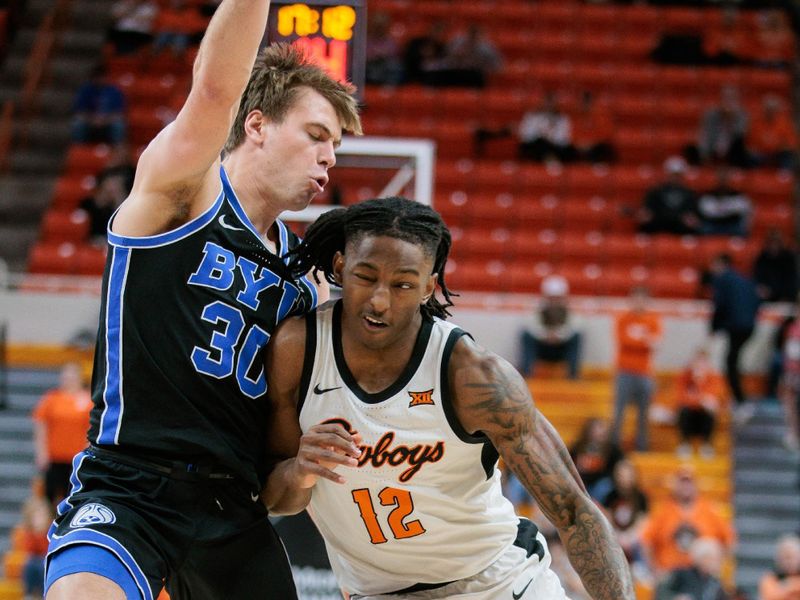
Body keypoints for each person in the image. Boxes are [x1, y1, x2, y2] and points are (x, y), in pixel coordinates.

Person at [43, 1, 362, 597]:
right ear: (258, 124)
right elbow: (216, 91)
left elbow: (279, 483)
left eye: (336, 146)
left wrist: (305, 466)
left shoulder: (302, 284)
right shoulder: (189, 190)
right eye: (317, 134)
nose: (329, 157)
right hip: (130, 485)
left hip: (231, 507)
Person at [263, 197, 635, 599]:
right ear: (339, 266)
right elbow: (278, 500)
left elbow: (574, 510)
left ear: (428, 286)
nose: (379, 301)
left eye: (403, 284)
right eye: (366, 277)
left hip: (498, 583)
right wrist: (300, 469)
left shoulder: (475, 378)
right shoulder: (298, 350)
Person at [640, 464, 735, 581]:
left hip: (701, 576)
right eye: (682, 482)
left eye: (689, 482)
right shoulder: (663, 512)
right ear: (675, 484)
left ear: (695, 485)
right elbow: (646, 542)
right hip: (670, 574)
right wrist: (654, 570)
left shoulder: (709, 510)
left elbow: (730, 539)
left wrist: (718, 565)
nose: (686, 486)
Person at [708, 253, 761, 420]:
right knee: (733, 360)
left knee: (730, 362)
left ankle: (740, 400)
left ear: (721, 264)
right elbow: (758, 300)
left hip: (737, 326)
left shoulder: (722, 280)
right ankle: (739, 398)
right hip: (748, 326)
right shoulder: (744, 279)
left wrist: (714, 327)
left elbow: (720, 304)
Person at [31, 362, 92, 507]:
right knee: (49, 496)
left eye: (72, 377)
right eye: (66, 377)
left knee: (73, 495)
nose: (68, 380)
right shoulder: (52, 399)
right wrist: (41, 452)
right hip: (54, 458)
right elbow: (41, 425)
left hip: (76, 459)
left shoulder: (88, 399)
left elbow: (92, 427)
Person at [611, 286, 662, 451]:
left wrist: (638, 341)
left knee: (644, 412)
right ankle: (614, 447)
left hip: (644, 373)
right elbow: (623, 341)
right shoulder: (623, 318)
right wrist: (643, 341)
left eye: (642, 299)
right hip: (624, 371)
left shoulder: (654, 319)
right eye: (636, 298)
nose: (639, 302)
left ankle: (642, 446)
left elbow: (655, 343)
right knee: (619, 411)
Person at [519, 274, 582, 379]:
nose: (554, 301)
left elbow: (575, 327)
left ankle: (572, 376)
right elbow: (531, 326)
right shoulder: (536, 308)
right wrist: (546, 335)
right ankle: (527, 373)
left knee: (577, 337)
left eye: (557, 298)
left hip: (561, 348)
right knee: (526, 336)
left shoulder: (570, 310)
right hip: (542, 347)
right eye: (551, 298)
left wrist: (558, 335)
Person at [674, 348, 726, 459]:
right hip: (689, 418)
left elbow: (714, 401)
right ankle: (685, 444)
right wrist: (700, 398)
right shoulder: (685, 377)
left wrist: (698, 389)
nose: (699, 366)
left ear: (708, 364)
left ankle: (706, 445)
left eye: (703, 362)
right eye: (697, 362)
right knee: (684, 410)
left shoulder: (714, 378)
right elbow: (680, 398)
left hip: (704, 420)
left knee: (710, 412)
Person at [601, 459, 649, 570]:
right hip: (615, 535)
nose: (624, 478)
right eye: (621, 475)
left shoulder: (641, 497)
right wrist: (617, 537)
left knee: (643, 544)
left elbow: (643, 522)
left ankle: (641, 570)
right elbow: (606, 520)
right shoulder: (610, 496)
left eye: (628, 475)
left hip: (634, 537)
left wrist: (630, 538)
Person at [686, 86, 749, 168]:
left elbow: (740, 133)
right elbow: (705, 135)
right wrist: (705, 153)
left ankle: (735, 168)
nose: (728, 102)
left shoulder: (741, 116)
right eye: (726, 98)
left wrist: (731, 118)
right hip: (713, 147)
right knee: (691, 149)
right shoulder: (711, 115)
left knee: (741, 146)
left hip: (731, 151)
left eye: (731, 99)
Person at [637, 156, 700, 235]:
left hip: (680, 223)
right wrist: (646, 214)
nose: (675, 178)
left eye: (678, 175)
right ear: (667, 174)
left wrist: (691, 218)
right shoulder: (656, 190)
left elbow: (693, 211)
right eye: (673, 175)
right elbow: (648, 209)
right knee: (646, 224)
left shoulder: (689, 193)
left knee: (691, 226)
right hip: (659, 220)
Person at [654, 537, 730, 600]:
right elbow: (661, 593)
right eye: (713, 558)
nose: (717, 562)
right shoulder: (681, 574)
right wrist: (676, 598)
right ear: (702, 558)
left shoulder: (715, 582)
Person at [569, 417, 624, 502]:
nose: (600, 433)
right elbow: (568, 464)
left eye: (603, 430)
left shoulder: (612, 450)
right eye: (597, 429)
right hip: (581, 481)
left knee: (604, 486)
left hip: (600, 484)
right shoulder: (577, 447)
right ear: (588, 431)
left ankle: (595, 507)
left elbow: (618, 467)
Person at [71, 65, 127, 145]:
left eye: (102, 77)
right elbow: (79, 112)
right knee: (78, 124)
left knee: (118, 125)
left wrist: (104, 120)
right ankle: (79, 149)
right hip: (90, 120)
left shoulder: (114, 91)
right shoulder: (86, 90)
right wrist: (92, 119)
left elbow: (119, 114)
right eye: (98, 77)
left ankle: (118, 149)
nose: (100, 80)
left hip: (108, 120)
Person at [518, 92, 576, 163]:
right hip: (535, 145)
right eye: (547, 102)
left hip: (554, 146)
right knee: (541, 143)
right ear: (542, 103)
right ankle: (551, 164)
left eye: (551, 103)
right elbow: (525, 135)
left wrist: (551, 137)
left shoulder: (563, 119)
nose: (549, 105)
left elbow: (564, 139)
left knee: (571, 150)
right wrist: (541, 134)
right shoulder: (531, 116)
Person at [696, 167, 752, 237]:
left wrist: (720, 210)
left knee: (741, 229)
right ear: (717, 179)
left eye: (725, 178)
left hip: (732, 225)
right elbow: (707, 212)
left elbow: (745, 210)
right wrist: (729, 210)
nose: (723, 181)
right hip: (713, 225)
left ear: (729, 179)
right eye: (721, 178)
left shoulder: (738, 195)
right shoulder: (708, 195)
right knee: (704, 228)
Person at [748, 96, 797, 170]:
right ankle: (753, 177)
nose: (770, 112)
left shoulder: (785, 123)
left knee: (788, 156)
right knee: (750, 157)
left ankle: (784, 177)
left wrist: (779, 147)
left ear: (777, 110)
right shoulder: (756, 123)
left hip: (778, 153)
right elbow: (750, 143)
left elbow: (791, 143)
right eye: (768, 109)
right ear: (764, 109)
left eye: (773, 109)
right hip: (761, 154)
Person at [77, 172, 128, 244]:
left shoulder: (113, 206)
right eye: (110, 184)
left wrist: (118, 198)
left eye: (115, 187)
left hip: (108, 241)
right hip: (89, 241)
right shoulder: (87, 203)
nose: (112, 188)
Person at [753, 230, 799, 303]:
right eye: (771, 243)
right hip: (766, 299)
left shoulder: (788, 258)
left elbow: (792, 281)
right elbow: (757, 278)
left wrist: (786, 296)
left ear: (780, 243)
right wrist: (761, 288)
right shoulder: (762, 258)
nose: (773, 246)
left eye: (775, 243)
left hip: (786, 298)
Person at [759, 534, 800, 600]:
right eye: (785, 557)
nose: (788, 562)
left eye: (791, 557)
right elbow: (771, 596)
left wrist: (789, 585)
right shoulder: (770, 578)